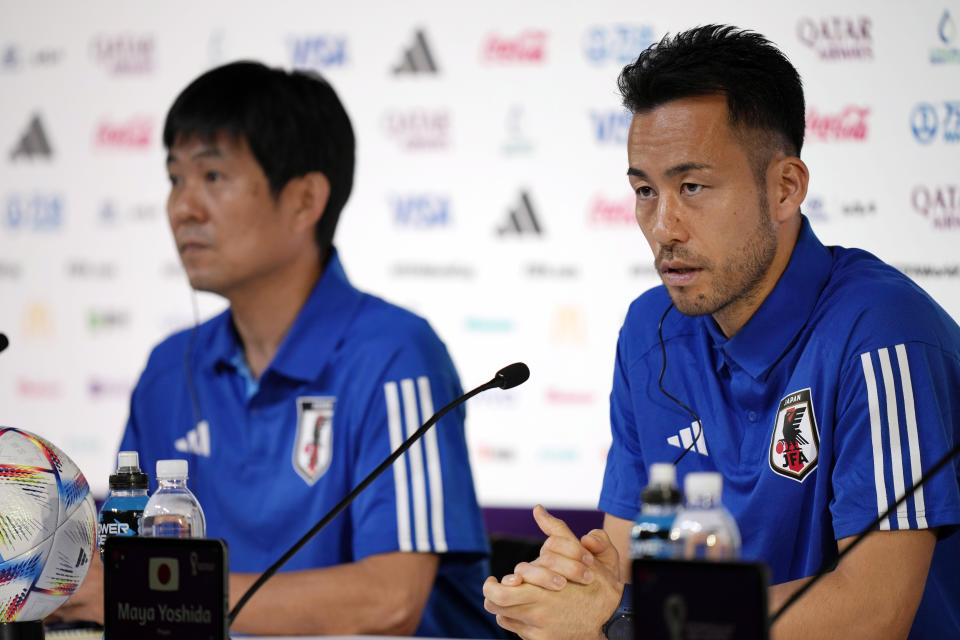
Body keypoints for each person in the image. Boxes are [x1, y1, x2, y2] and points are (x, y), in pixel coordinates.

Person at [483, 25, 960, 640]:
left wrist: (630, 615)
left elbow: (872, 609)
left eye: (692, 187)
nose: (663, 226)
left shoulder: (886, 333)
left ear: (785, 187)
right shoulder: (648, 331)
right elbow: (624, 566)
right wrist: (573, 596)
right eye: (644, 191)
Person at [57, 61, 500, 638]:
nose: (183, 208)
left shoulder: (394, 354)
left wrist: (129, 592)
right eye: (174, 179)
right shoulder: (170, 369)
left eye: (212, 177)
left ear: (304, 200)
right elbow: (116, 564)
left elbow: (390, 602)